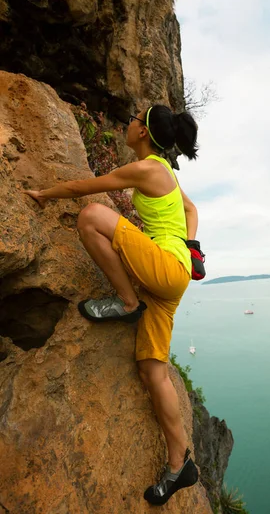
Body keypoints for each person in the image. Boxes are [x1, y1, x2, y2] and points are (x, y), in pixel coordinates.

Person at [24, 104, 200, 505]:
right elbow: (191, 209)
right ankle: (180, 466)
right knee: (152, 370)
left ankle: (125, 301)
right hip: (173, 277)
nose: (128, 122)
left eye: (135, 119)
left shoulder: (147, 170)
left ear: (143, 133)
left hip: (165, 269)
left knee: (90, 216)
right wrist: (192, 247)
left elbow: (83, 189)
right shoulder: (166, 172)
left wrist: (42, 194)